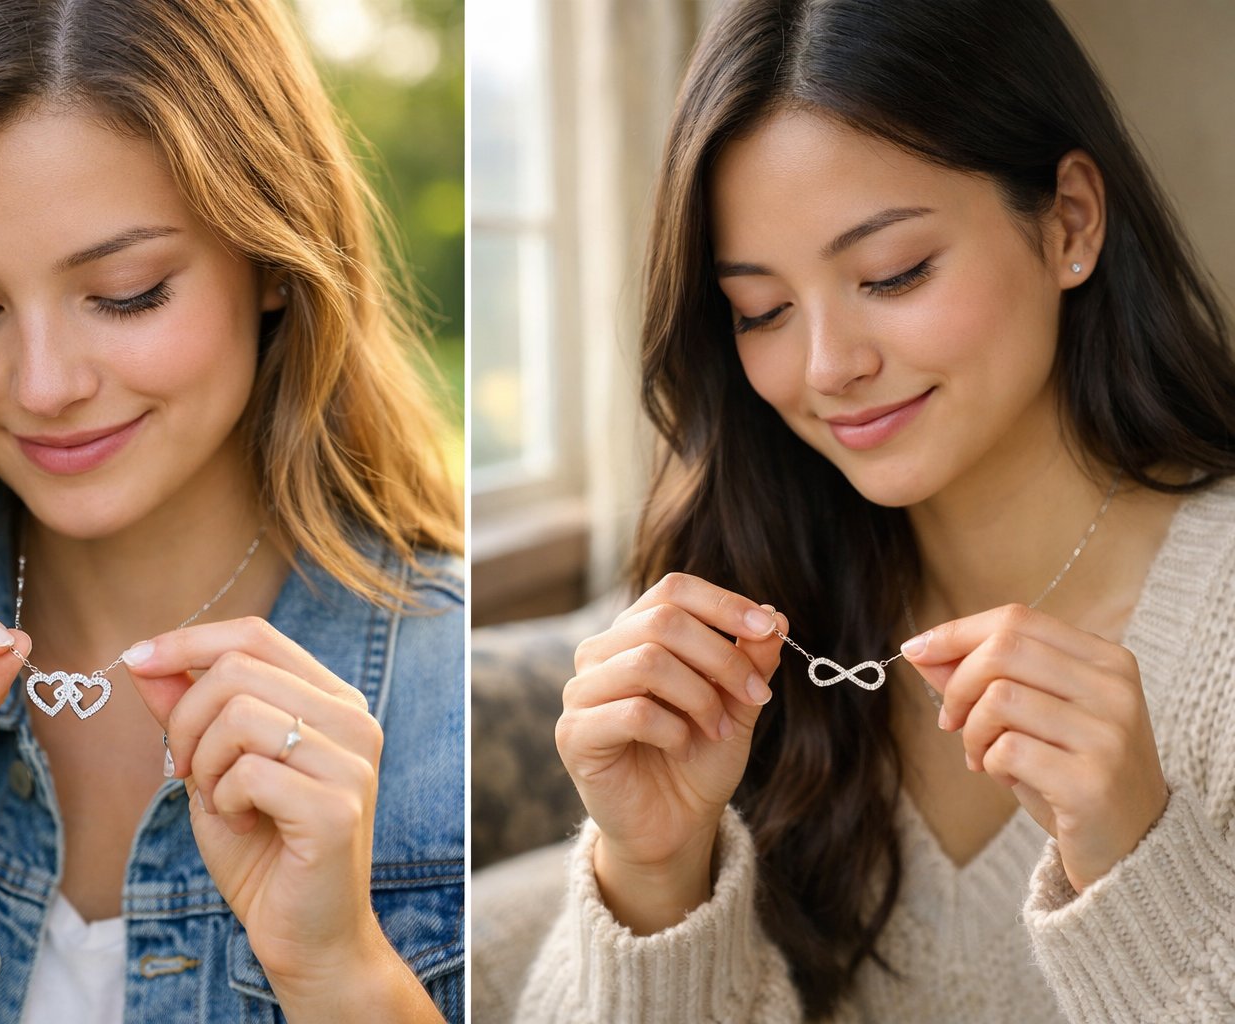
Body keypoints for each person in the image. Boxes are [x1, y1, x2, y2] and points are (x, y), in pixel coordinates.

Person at [0, 0, 464, 1021]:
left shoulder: (443, 696)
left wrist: (339, 972)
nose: (47, 384)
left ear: (273, 261)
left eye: (127, 290)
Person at [517, 0, 1235, 1020]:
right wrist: (650, 872)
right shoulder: (748, 605)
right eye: (761, 310)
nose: (827, 367)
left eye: (892, 273)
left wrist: (1139, 869)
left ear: (1070, 222)